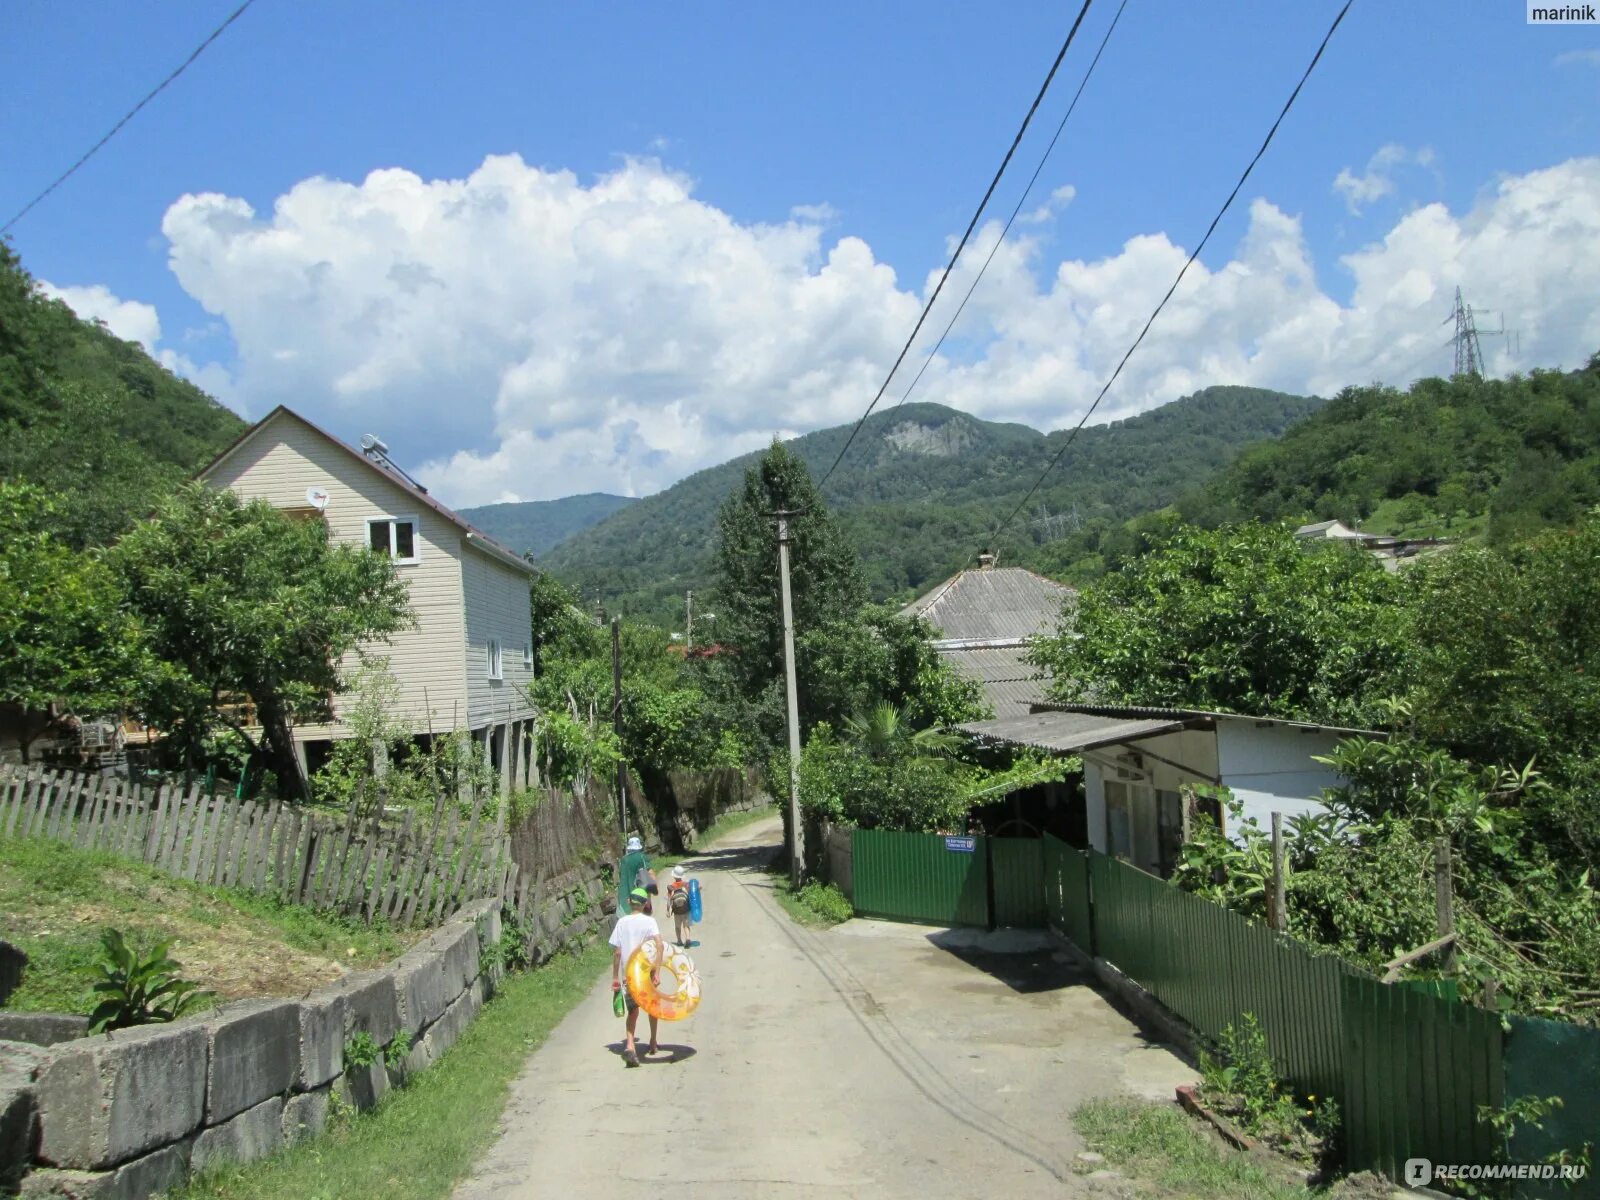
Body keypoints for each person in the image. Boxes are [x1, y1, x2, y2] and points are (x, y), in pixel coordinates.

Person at [609, 886, 664, 1067]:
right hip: (646, 973)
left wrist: (615, 977)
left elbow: (617, 952)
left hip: (630, 976)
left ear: (629, 902)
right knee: (651, 1008)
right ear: (645, 903)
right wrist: (657, 972)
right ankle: (653, 1042)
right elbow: (659, 945)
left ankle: (631, 1046)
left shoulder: (622, 922)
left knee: (633, 1011)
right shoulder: (649, 922)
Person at [616, 834, 657, 915]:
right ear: (639, 847)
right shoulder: (642, 857)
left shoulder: (623, 860)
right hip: (639, 897)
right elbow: (650, 875)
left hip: (624, 899)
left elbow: (622, 878)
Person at [665, 865, 692, 946]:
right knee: (686, 925)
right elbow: (691, 895)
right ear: (682, 876)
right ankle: (687, 938)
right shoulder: (686, 884)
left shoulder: (671, 887)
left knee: (677, 926)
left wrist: (667, 910)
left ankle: (679, 941)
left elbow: (669, 899)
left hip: (676, 911)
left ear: (674, 876)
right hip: (686, 909)